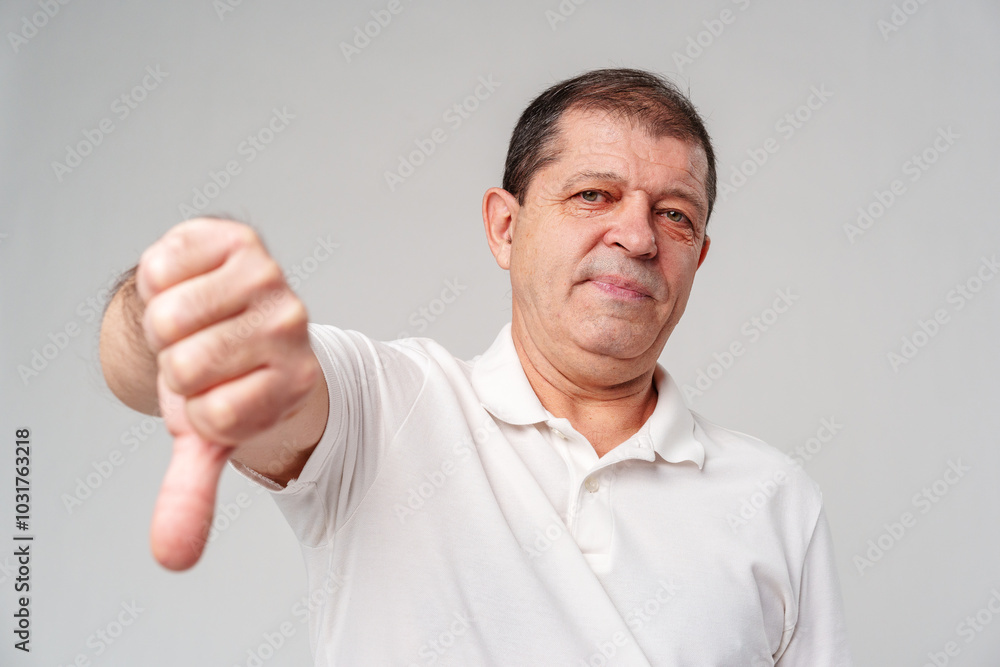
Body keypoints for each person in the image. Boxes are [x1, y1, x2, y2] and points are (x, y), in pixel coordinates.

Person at [100, 68, 852, 665]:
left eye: (676, 213)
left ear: (698, 256)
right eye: (594, 194)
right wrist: (180, 316)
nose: (637, 234)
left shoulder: (775, 499)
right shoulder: (381, 411)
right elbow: (165, 368)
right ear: (505, 226)